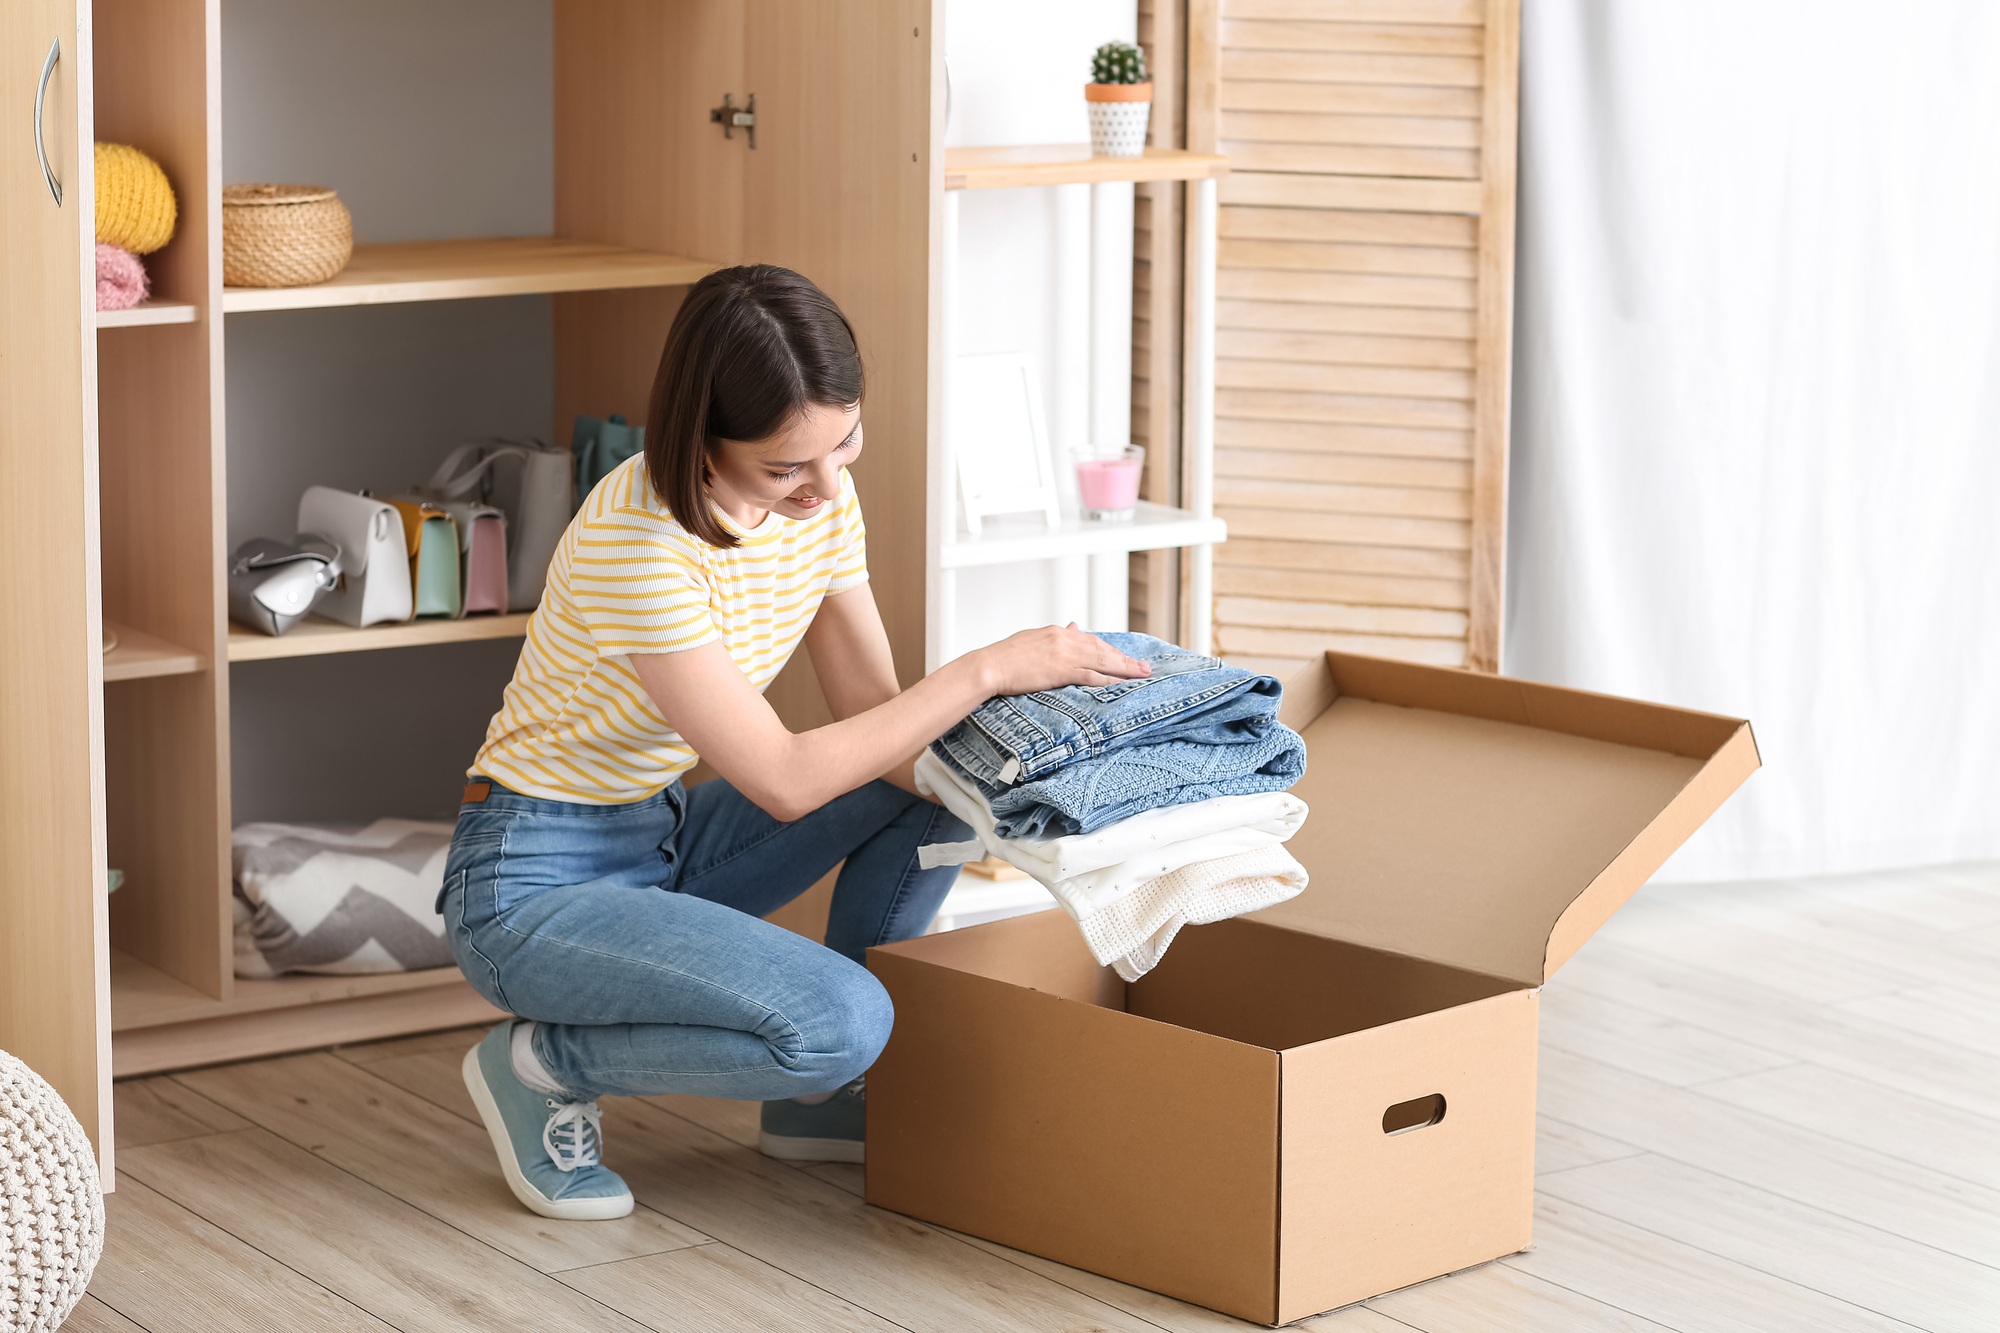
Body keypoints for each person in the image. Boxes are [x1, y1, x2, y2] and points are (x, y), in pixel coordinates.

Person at [441, 264, 1150, 1220]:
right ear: (704, 437)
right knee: (842, 1018)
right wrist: (986, 668)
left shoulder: (821, 501)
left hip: (662, 838)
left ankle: (819, 1100)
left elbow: (877, 715)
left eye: (844, 443)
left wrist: (1042, 793)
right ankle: (542, 1064)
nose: (824, 486)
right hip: (532, 882)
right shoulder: (642, 546)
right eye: (787, 467)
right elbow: (782, 778)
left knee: (930, 779)